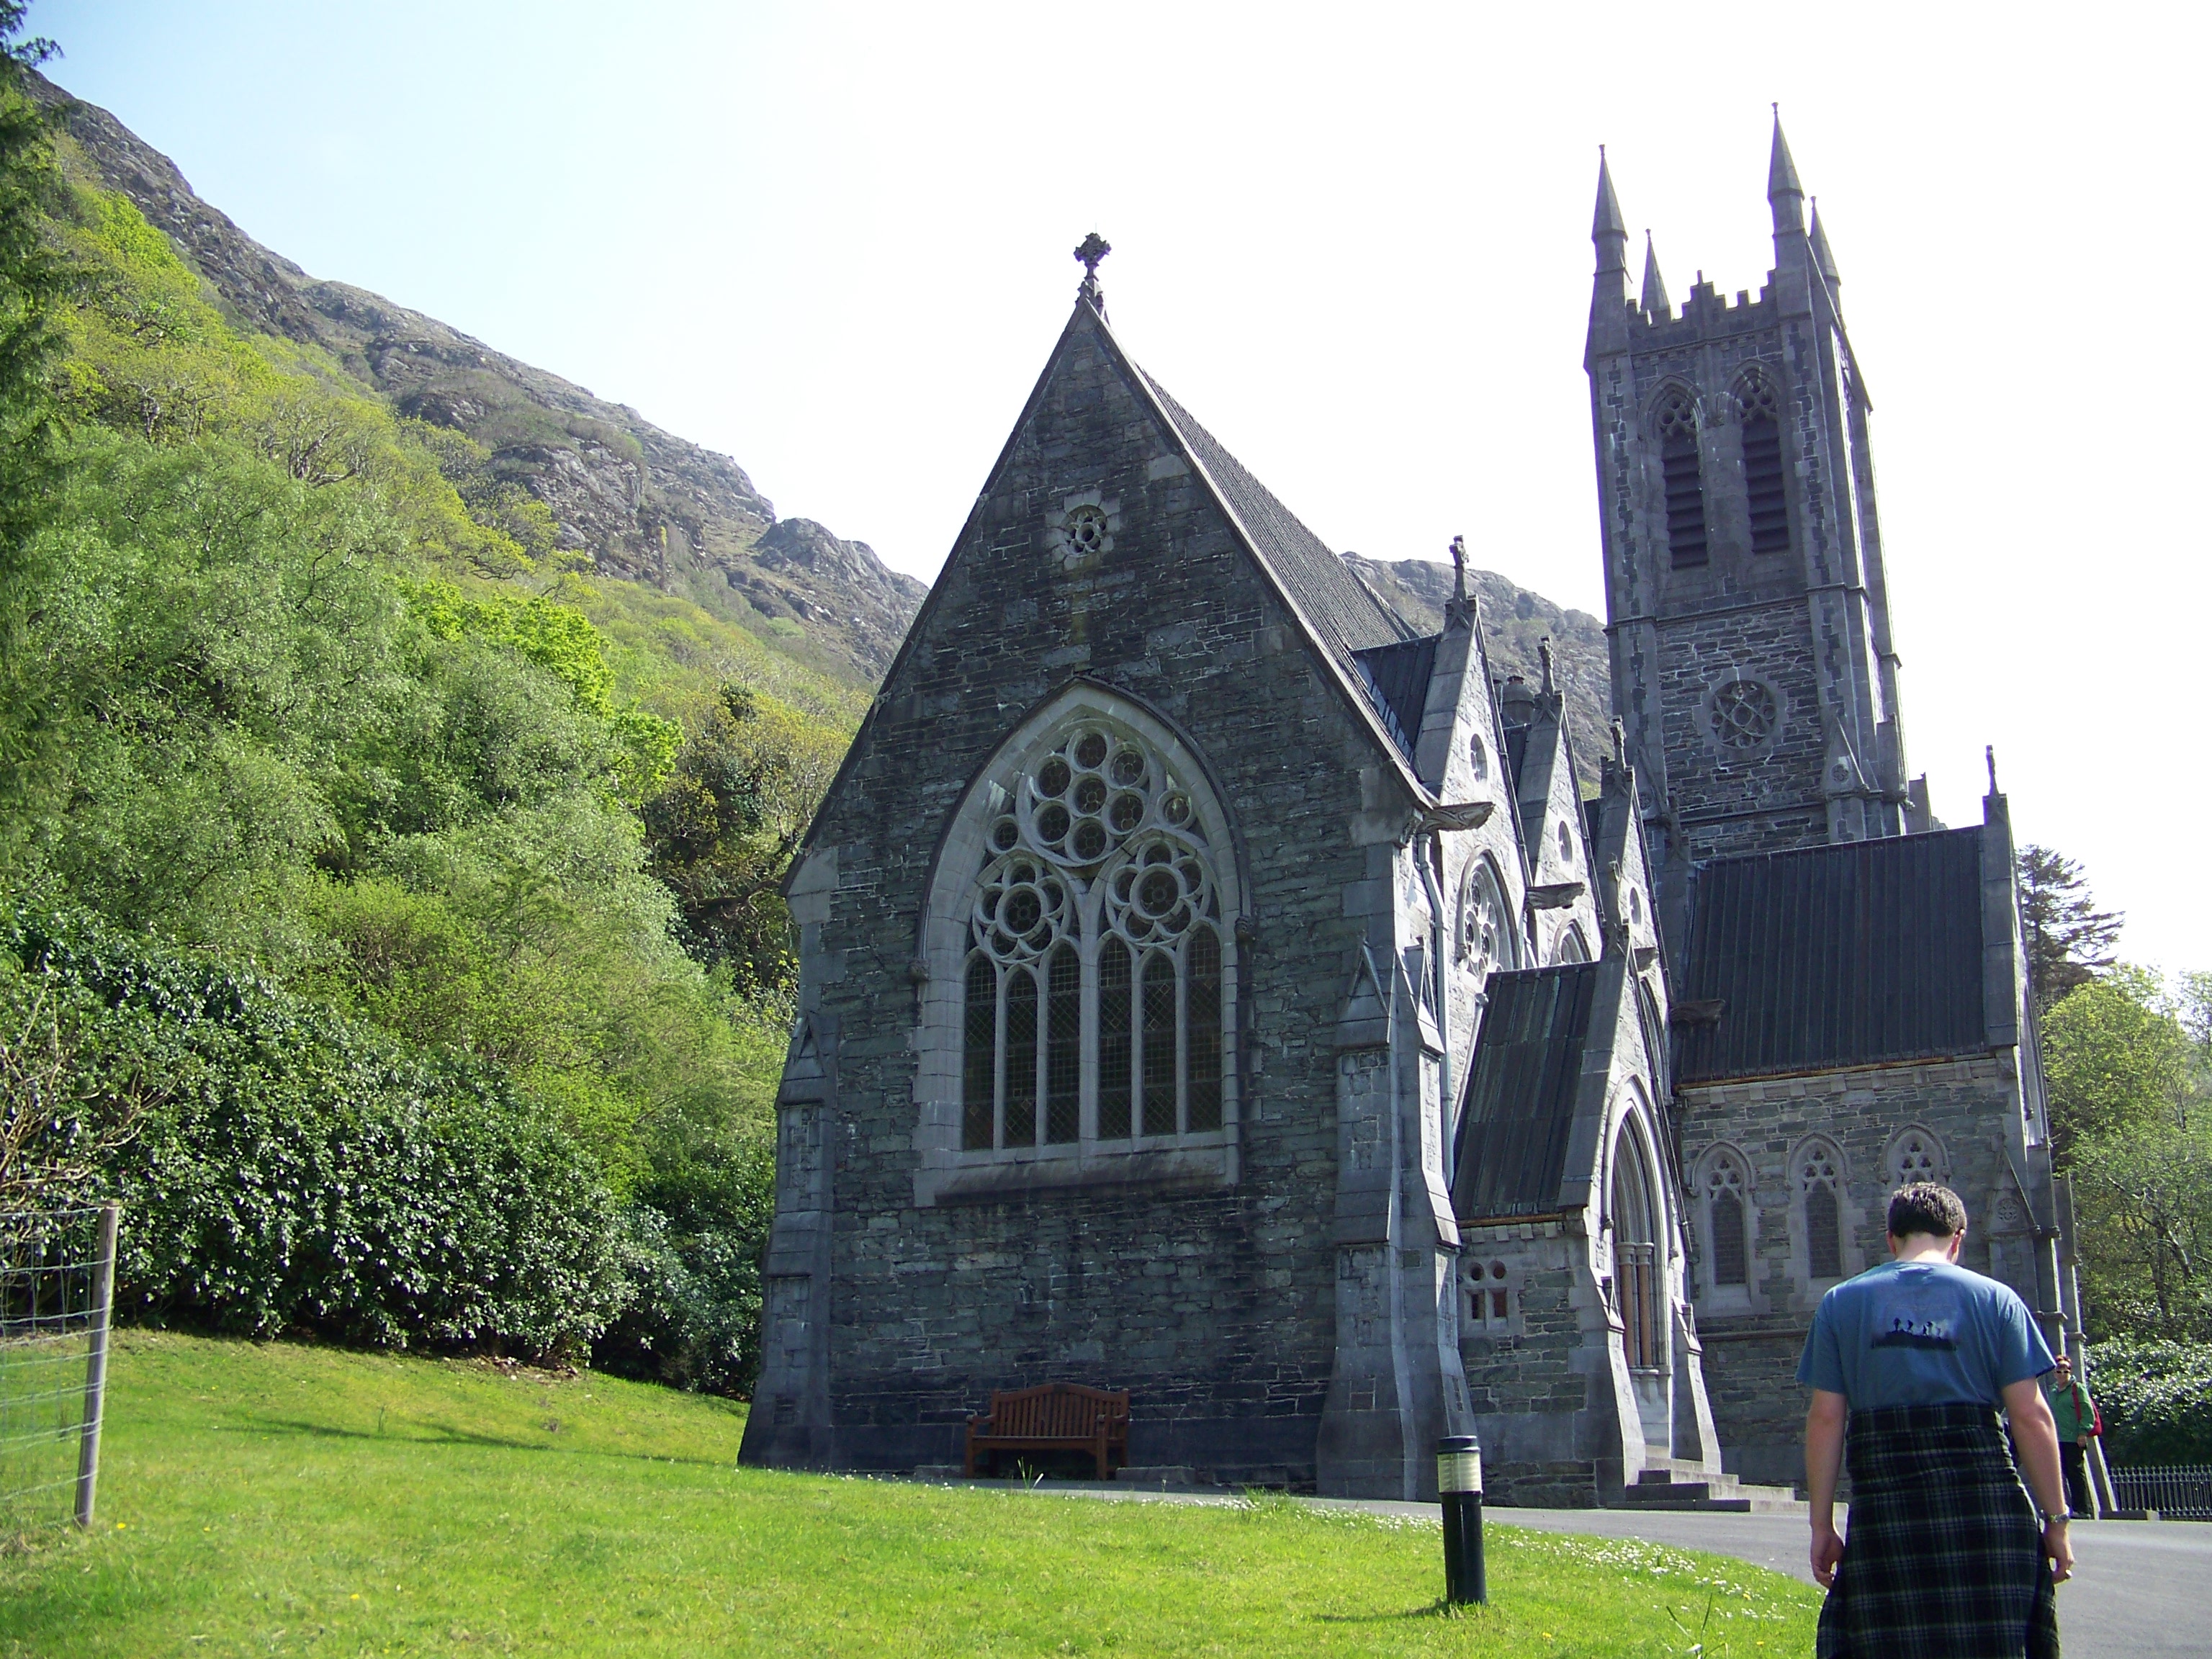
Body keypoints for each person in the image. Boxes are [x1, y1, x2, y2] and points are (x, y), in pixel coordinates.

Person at [1798, 1182, 2072, 1659]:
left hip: (1886, 1514)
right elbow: (2031, 1417)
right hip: (1985, 1511)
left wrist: (1821, 1526)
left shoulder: (1840, 1303)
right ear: (1958, 1238)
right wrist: (2057, 1520)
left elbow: (1825, 1420)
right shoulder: (1997, 1300)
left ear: (1891, 1239)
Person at [2043, 1352, 2098, 1518]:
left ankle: (2083, 1509)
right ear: (2054, 1373)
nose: (2062, 1374)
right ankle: (2061, 1508)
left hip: (2074, 1438)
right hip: (2058, 1439)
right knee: (2060, 1473)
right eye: (2059, 1371)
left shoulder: (2077, 1389)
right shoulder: (2053, 1391)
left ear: (2070, 1372)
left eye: (2065, 1371)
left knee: (2075, 1473)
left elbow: (2088, 1412)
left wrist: (2083, 1432)